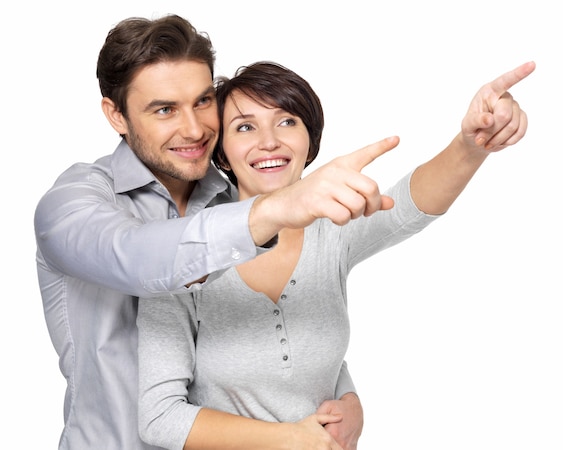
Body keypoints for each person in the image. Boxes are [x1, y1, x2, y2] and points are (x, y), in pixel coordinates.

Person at [34, 14, 413, 450]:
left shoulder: (235, 201)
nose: (195, 130)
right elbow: (139, 257)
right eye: (164, 109)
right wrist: (276, 208)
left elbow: (264, 329)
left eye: (201, 101)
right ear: (116, 115)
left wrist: (345, 396)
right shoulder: (72, 205)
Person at [136, 60, 535, 450]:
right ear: (220, 152)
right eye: (245, 127)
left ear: (310, 139)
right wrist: (290, 439)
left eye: (287, 121)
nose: (269, 141)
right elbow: (159, 418)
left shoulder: (330, 229)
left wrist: (471, 144)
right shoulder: (186, 250)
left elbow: (410, 205)